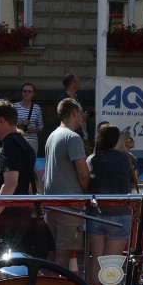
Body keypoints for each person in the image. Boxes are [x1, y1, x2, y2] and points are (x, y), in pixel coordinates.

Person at [0, 100, 39, 262]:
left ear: (1, 121)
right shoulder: (25, 144)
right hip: (19, 218)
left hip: (4, 221)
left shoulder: (9, 145)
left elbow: (10, 183)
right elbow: (27, 184)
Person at [42, 98, 89, 268]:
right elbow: (83, 173)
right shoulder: (73, 137)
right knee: (63, 259)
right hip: (69, 207)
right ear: (74, 112)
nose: (82, 118)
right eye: (81, 113)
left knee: (52, 256)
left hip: (51, 205)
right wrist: (87, 191)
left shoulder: (51, 136)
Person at [86, 125, 134, 285]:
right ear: (116, 140)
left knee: (96, 258)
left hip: (95, 213)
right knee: (111, 263)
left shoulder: (92, 159)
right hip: (119, 213)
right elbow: (130, 183)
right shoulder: (124, 158)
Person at [13, 82, 44, 155]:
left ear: (33, 94)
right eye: (25, 91)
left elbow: (41, 125)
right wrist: (21, 123)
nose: (27, 93)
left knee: (31, 163)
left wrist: (34, 130)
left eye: (29, 91)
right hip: (18, 139)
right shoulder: (15, 106)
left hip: (32, 141)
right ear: (22, 93)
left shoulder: (37, 108)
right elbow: (10, 123)